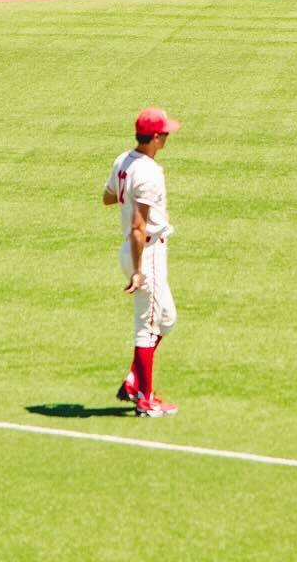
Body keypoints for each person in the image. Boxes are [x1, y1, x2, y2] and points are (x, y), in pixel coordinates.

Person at [103, 107, 181, 418]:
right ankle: (145, 401)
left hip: (144, 251)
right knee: (147, 328)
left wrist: (128, 193)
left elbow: (109, 197)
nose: (167, 138)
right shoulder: (149, 172)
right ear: (156, 137)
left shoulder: (124, 161)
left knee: (167, 319)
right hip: (144, 254)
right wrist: (137, 272)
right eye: (165, 134)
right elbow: (138, 226)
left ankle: (134, 381)